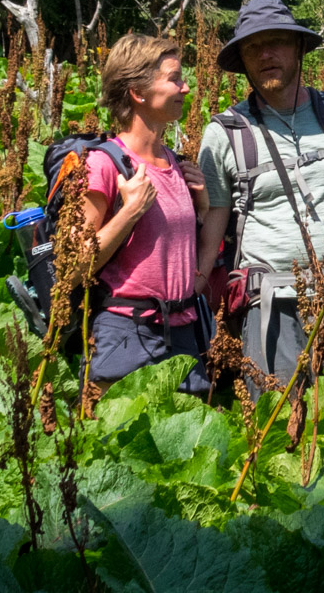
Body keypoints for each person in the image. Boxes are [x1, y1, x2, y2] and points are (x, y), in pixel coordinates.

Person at [196, 0, 324, 387]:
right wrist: (191, 315)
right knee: (279, 439)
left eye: (277, 42)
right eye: (253, 47)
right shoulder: (224, 133)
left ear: (299, 48)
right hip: (270, 315)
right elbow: (210, 241)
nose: (266, 55)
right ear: (242, 59)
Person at [79, 33, 212, 390]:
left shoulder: (176, 164)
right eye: (174, 78)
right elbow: (76, 265)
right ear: (138, 92)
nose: (185, 88)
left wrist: (200, 210)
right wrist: (130, 211)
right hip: (127, 333)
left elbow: (177, 255)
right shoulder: (104, 164)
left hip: (183, 333)